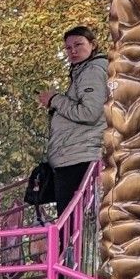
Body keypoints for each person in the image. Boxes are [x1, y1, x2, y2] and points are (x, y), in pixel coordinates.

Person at [41, 27, 107, 214]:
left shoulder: (92, 70)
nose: (73, 51)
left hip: (79, 157)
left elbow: (89, 112)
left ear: (93, 45)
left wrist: (55, 100)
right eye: (68, 48)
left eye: (78, 44)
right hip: (74, 156)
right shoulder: (82, 71)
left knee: (70, 222)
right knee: (71, 221)